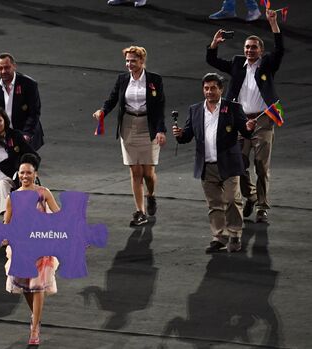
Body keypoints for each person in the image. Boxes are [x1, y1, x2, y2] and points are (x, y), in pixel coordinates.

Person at [206, 9, 283, 223]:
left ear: (261, 50)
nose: (249, 50)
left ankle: (262, 207)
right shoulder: (237, 64)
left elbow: (280, 50)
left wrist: (273, 24)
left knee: (261, 166)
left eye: (254, 47)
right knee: (237, 163)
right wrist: (215, 43)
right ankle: (250, 195)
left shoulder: (267, 64)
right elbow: (212, 60)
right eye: (247, 47)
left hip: (263, 121)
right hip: (240, 122)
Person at [172, 73, 257, 254]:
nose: (209, 91)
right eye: (206, 88)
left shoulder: (233, 108)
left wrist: (249, 128)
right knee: (214, 204)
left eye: (213, 88)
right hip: (206, 165)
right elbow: (188, 135)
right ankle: (219, 237)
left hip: (228, 164)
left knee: (232, 200)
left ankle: (234, 234)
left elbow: (245, 131)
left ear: (221, 89)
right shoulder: (195, 110)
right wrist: (180, 135)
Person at [93, 46, 166, 226]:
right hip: (128, 125)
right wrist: (102, 111)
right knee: (135, 171)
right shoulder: (123, 79)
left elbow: (159, 107)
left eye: (133, 60)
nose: (129, 64)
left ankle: (151, 195)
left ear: (142, 61)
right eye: (127, 61)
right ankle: (139, 211)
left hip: (148, 126)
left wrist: (160, 130)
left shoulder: (154, 80)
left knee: (148, 173)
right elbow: (112, 99)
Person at [1, 153, 60, 346]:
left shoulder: (43, 193)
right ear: (18, 174)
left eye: (29, 173)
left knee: (38, 286)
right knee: (25, 285)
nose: (25, 176)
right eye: (22, 173)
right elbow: (7, 222)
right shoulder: (13, 197)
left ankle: (35, 328)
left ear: (36, 174)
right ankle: (36, 316)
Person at [0, 53, 44, 151]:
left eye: (7, 67)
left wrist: (26, 135)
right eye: (0, 68)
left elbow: (34, 113)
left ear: (14, 66)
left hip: (25, 133)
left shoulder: (29, 84)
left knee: (25, 165)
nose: (3, 71)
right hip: (2, 135)